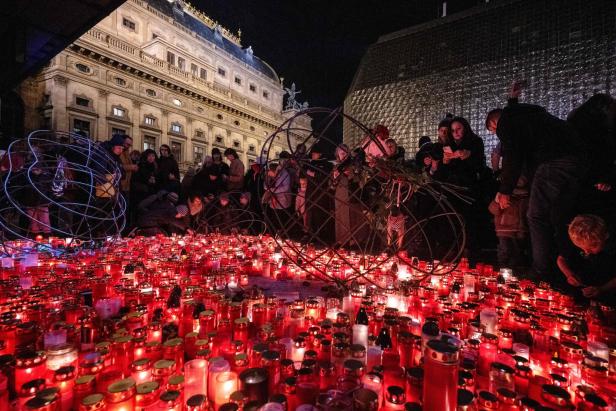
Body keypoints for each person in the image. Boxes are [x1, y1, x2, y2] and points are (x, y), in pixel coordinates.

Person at [486, 100, 587, 281]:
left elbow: (513, 154)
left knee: (536, 216)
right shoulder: (530, 116)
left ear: (494, 124)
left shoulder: (508, 122)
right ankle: (566, 266)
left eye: (494, 131)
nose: (498, 135)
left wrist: (505, 189)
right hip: (578, 159)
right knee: (559, 215)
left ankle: (541, 270)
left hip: (553, 161)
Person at [557, 215, 615, 306]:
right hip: (581, 288)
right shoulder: (577, 238)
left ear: (605, 236)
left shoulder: (612, 247)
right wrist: (569, 275)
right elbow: (561, 259)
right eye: (581, 248)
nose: (587, 252)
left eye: (592, 247)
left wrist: (602, 289)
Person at [488, 176, 529, 269]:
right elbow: (493, 209)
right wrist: (497, 203)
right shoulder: (504, 196)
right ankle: (503, 269)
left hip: (521, 230)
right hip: (504, 230)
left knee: (518, 251)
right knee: (505, 250)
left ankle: (515, 270)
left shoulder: (527, 198)